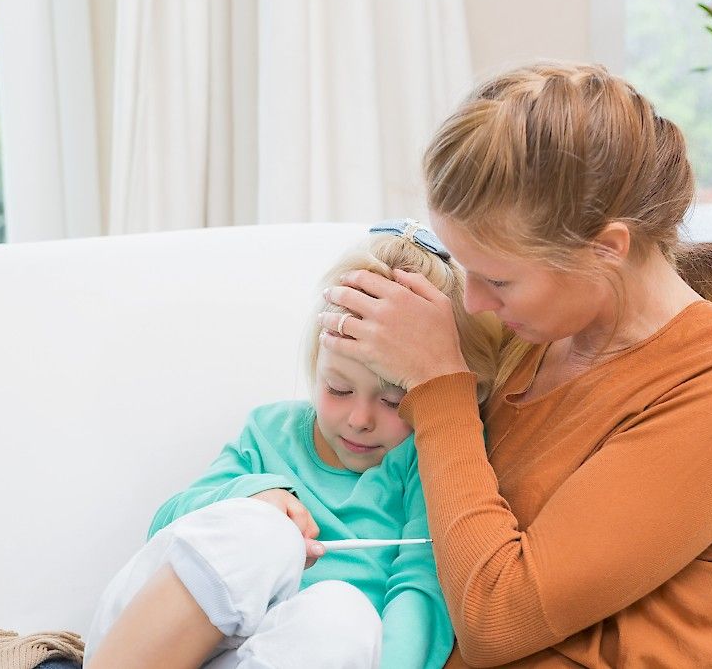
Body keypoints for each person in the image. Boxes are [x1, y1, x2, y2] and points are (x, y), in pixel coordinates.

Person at [318, 62, 712, 668]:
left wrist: (441, 385)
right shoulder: (528, 336)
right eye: (466, 268)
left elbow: (496, 620)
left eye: (498, 278)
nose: (473, 303)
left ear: (607, 248)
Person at [84, 223, 501, 669]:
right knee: (262, 530)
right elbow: (168, 524)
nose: (359, 420)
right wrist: (252, 496)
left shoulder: (424, 463)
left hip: (278, 654)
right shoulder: (271, 431)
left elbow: (422, 596)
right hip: (145, 639)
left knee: (345, 616)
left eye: (393, 401)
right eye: (338, 389)